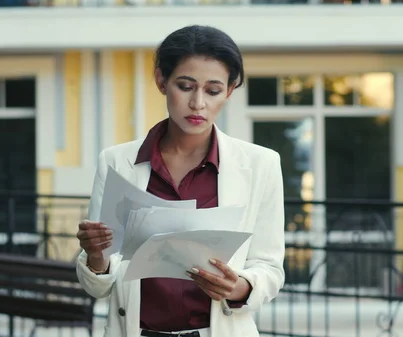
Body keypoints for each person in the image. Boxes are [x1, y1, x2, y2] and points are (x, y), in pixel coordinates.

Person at [75, 25, 285, 337]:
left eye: (213, 91)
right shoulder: (115, 162)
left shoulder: (261, 165)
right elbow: (98, 287)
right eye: (185, 86)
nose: (198, 103)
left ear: (229, 91)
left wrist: (239, 287)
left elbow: (270, 269)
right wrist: (95, 257)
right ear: (162, 80)